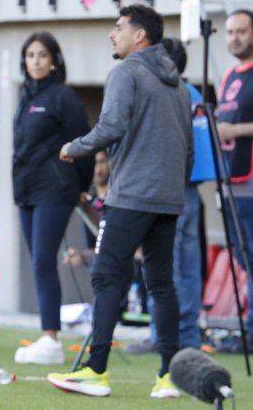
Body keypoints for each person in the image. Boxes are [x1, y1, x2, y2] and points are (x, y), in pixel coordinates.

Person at [48, 5, 193, 398]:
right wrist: (174, 188)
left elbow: (112, 126)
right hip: (168, 197)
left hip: (131, 196)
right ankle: (169, 376)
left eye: (118, 28)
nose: (112, 34)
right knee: (161, 283)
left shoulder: (125, 72)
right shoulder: (178, 84)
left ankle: (96, 371)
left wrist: (73, 148)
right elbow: (189, 147)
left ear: (139, 36)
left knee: (107, 275)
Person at [12, 32, 92, 365]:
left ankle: (51, 340)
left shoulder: (64, 98)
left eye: (42, 55)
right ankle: (48, 337)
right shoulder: (26, 98)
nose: (35, 61)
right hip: (27, 191)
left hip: (56, 189)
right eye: (30, 55)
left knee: (44, 260)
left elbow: (84, 145)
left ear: (54, 60)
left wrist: (82, 186)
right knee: (38, 263)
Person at [126, 37, 210, 354]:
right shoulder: (195, 95)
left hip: (166, 193)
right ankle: (188, 336)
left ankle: (162, 336)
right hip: (192, 192)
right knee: (188, 271)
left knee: (162, 270)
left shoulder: (164, 92)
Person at [215, 9, 253, 353]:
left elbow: (234, 126)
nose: (234, 38)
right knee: (243, 258)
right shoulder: (228, 76)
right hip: (230, 179)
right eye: (229, 32)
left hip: (251, 181)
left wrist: (235, 130)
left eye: (241, 31)